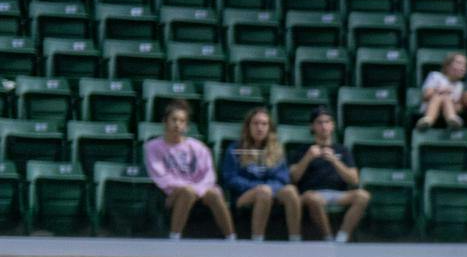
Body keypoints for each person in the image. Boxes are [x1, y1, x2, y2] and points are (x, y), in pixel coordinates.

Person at [145, 100, 234, 240]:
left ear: (186, 125)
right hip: (168, 194)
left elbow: (209, 176)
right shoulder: (153, 146)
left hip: (197, 190)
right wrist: (187, 188)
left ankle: (231, 237)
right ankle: (174, 237)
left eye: (182, 121)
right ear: (165, 122)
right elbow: (160, 176)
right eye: (174, 120)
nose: (177, 124)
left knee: (215, 193)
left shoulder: (198, 147)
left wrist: (196, 189)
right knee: (187, 192)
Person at [218, 107, 303, 241]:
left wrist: (267, 188)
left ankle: (295, 239)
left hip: (269, 191)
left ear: (269, 128)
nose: (260, 128)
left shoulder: (276, 150)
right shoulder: (235, 148)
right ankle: (257, 240)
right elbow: (230, 178)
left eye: (264, 124)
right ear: (248, 126)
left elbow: (282, 179)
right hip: (242, 195)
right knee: (263, 192)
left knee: (291, 191)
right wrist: (257, 187)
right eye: (256, 123)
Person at [289, 108, 370, 242]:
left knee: (363, 196)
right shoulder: (303, 150)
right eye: (319, 123)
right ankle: (328, 239)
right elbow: (293, 177)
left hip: (339, 194)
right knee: (313, 198)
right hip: (312, 193)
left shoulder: (342, 150)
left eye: (327, 122)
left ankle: (342, 237)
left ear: (332, 126)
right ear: (312, 126)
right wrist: (308, 157)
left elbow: (354, 180)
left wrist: (334, 160)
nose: (324, 126)